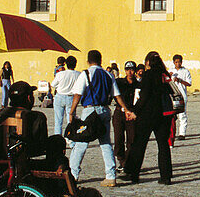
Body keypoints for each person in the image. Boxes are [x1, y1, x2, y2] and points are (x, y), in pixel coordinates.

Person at [69, 49, 135, 187]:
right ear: (100, 60)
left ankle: (73, 174)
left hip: (90, 110)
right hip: (105, 109)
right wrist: (126, 109)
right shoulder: (108, 75)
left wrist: (72, 112)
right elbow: (117, 95)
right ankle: (110, 176)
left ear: (88, 61)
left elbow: (77, 95)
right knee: (105, 144)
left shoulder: (86, 74)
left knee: (81, 143)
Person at [124, 51, 175, 185]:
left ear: (147, 62)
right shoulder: (164, 75)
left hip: (148, 115)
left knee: (139, 144)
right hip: (163, 115)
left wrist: (135, 111)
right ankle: (166, 176)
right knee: (163, 145)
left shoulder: (149, 74)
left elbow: (144, 96)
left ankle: (133, 174)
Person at [113, 60, 139, 173]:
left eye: (132, 69)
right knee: (118, 139)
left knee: (131, 139)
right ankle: (121, 160)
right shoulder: (119, 82)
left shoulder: (138, 84)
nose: (130, 72)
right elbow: (115, 96)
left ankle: (128, 162)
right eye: (128, 70)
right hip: (120, 113)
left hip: (132, 114)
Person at [51, 55, 84, 141]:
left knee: (58, 121)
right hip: (71, 98)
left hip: (59, 96)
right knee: (71, 120)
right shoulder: (79, 74)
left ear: (66, 64)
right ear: (75, 64)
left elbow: (53, 84)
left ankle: (57, 141)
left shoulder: (60, 74)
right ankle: (71, 140)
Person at [171, 54, 192, 140]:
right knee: (172, 115)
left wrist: (180, 80)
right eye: (176, 62)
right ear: (174, 62)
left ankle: (182, 133)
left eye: (179, 62)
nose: (178, 64)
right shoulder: (171, 71)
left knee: (182, 115)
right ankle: (171, 133)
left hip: (182, 96)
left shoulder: (185, 71)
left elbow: (189, 83)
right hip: (172, 95)